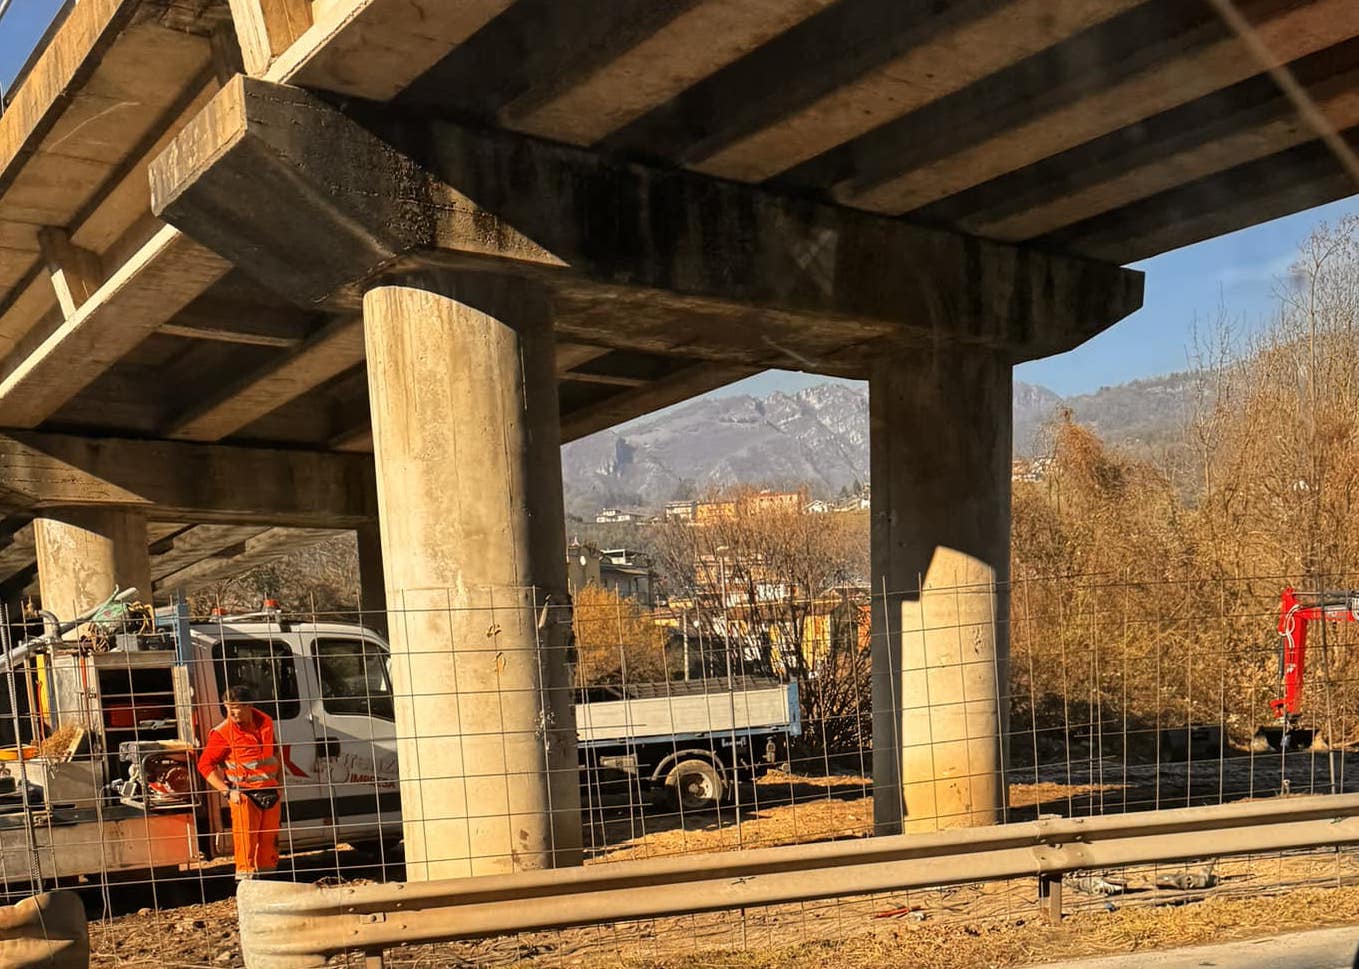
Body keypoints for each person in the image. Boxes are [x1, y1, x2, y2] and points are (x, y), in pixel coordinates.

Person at [197, 686, 282, 880]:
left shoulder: (266, 722)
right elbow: (204, 765)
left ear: (249, 705)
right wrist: (227, 792)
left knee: (270, 844)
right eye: (228, 708)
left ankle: (269, 883)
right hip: (243, 796)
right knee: (246, 844)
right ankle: (246, 885)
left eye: (236, 707)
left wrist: (279, 784)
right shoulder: (223, 733)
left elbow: (275, 752)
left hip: (270, 793)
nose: (232, 713)